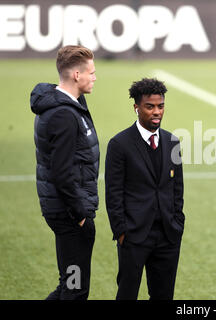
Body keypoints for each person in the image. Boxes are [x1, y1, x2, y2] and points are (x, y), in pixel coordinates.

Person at [105, 78, 185, 300]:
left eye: (160, 106)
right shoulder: (119, 144)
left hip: (168, 235)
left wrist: (177, 223)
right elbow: (113, 193)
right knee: (127, 294)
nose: (156, 112)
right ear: (136, 107)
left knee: (163, 296)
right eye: (150, 106)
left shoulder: (172, 142)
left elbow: (177, 189)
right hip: (134, 235)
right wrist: (121, 232)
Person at [30, 45, 98, 300]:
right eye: (91, 72)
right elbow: (61, 172)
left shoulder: (68, 103)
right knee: (75, 290)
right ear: (76, 75)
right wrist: (80, 215)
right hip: (70, 214)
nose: (95, 77)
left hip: (66, 211)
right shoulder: (63, 114)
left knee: (68, 286)